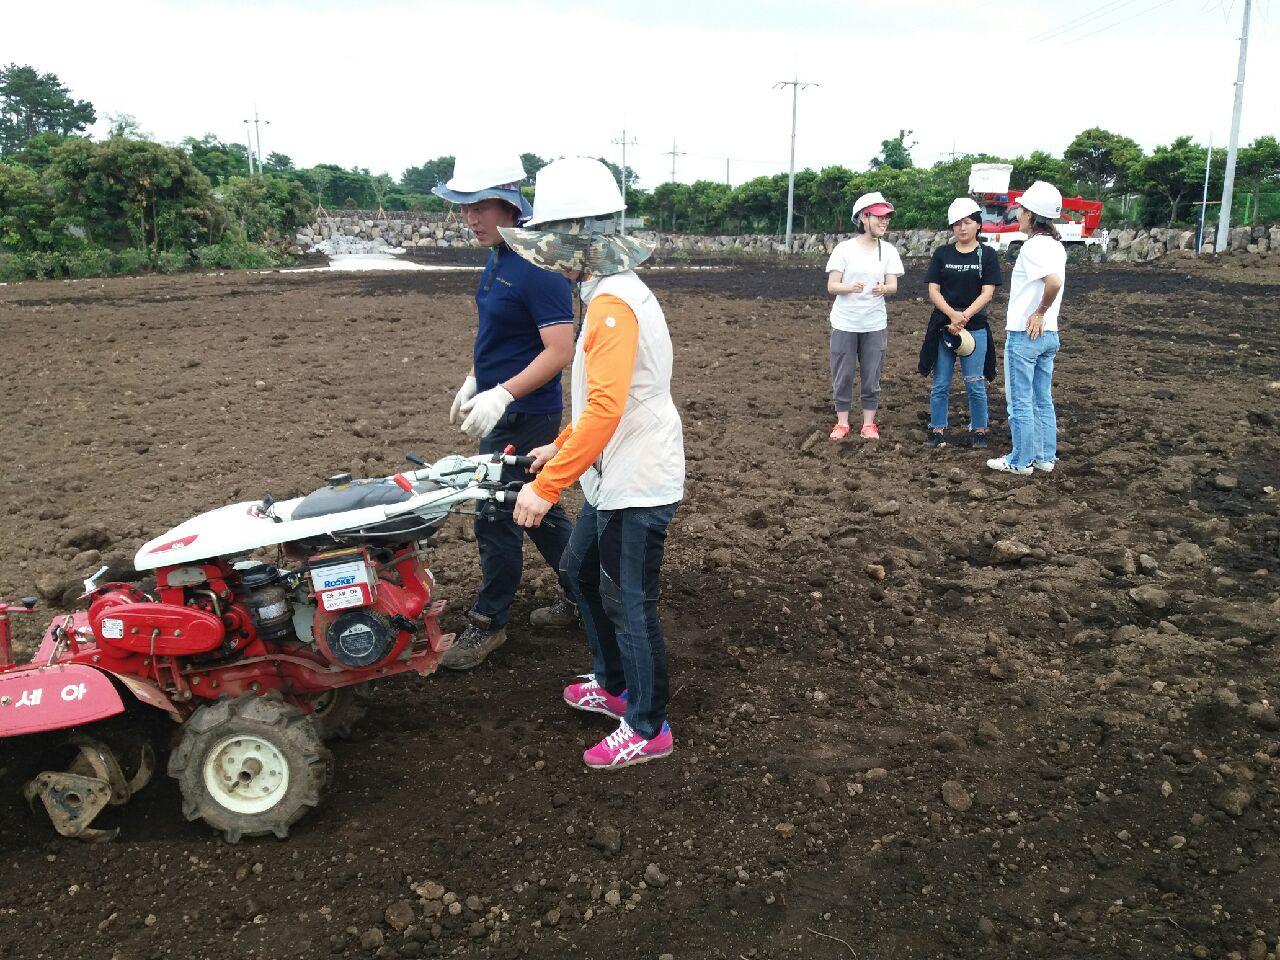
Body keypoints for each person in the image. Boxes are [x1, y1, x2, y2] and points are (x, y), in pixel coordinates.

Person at [500, 157, 685, 771]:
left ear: (572, 242)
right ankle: (612, 685)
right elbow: (606, 403)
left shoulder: (612, 306)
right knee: (581, 575)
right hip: (613, 468)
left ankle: (648, 724)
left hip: (638, 473)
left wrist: (546, 488)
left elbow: (607, 407)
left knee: (628, 600)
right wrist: (559, 446)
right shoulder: (609, 294)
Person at [432, 153, 578, 671]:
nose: (468, 218)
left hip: (525, 414)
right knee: (539, 513)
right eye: (463, 207)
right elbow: (501, 335)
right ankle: (587, 596)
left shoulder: (539, 269)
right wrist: (477, 379)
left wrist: (504, 394)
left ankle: (489, 624)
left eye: (477, 206)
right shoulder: (498, 255)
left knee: (496, 518)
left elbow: (559, 351)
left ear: (509, 206)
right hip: (503, 406)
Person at [987, 180, 1066, 477]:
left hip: (1026, 334)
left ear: (1032, 215)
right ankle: (1045, 457)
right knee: (1042, 398)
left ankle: (1020, 461)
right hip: (1050, 335)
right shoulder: (1056, 245)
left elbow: (1053, 283)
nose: (1018, 213)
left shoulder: (1032, 248)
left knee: (1020, 401)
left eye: (1022, 210)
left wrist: (1039, 312)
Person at [919, 197, 1001, 449]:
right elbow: (933, 290)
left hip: (974, 327)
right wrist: (952, 316)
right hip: (945, 326)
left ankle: (979, 430)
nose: (961, 228)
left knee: (974, 382)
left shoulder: (987, 255)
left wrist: (963, 316)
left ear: (978, 224)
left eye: (967, 222)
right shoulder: (942, 253)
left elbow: (987, 292)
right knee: (940, 382)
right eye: (956, 224)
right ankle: (937, 429)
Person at [824, 191, 905, 440]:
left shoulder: (889, 251)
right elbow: (832, 285)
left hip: (874, 323)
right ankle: (842, 422)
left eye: (886, 217)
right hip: (845, 322)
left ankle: (869, 423)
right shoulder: (844, 249)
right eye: (879, 217)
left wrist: (884, 289)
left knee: (872, 375)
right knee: (843, 374)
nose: (884, 222)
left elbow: (893, 285)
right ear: (863, 217)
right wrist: (851, 287)